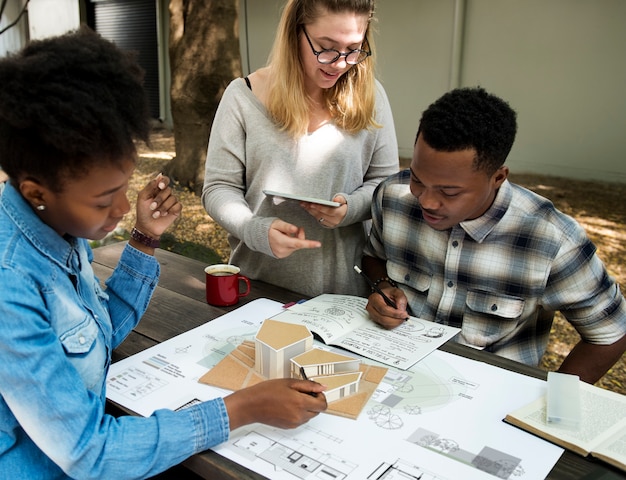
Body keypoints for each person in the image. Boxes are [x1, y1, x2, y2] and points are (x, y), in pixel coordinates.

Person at [0, 27, 326, 479]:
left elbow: (96, 337)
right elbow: (89, 453)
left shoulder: (55, 222)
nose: (119, 209)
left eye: (123, 189)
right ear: (38, 192)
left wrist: (144, 240)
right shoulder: (9, 282)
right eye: (102, 200)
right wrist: (241, 407)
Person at [362, 87, 626, 384]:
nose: (426, 201)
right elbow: (375, 257)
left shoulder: (551, 239)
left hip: (490, 397)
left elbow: (609, 334)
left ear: (498, 177)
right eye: (417, 179)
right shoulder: (392, 197)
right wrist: (381, 285)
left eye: (449, 192)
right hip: (393, 376)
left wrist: (551, 402)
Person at [201, 0, 399, 298]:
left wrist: (350, 208)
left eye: (354, 48)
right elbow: (218, 188)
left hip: (344, 296)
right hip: (258, 290)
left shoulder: (372, 96)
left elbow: (386, 186)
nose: (340, 63)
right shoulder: (243, 96)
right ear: (295, 32)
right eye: (326, 46)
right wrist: (254, 229)